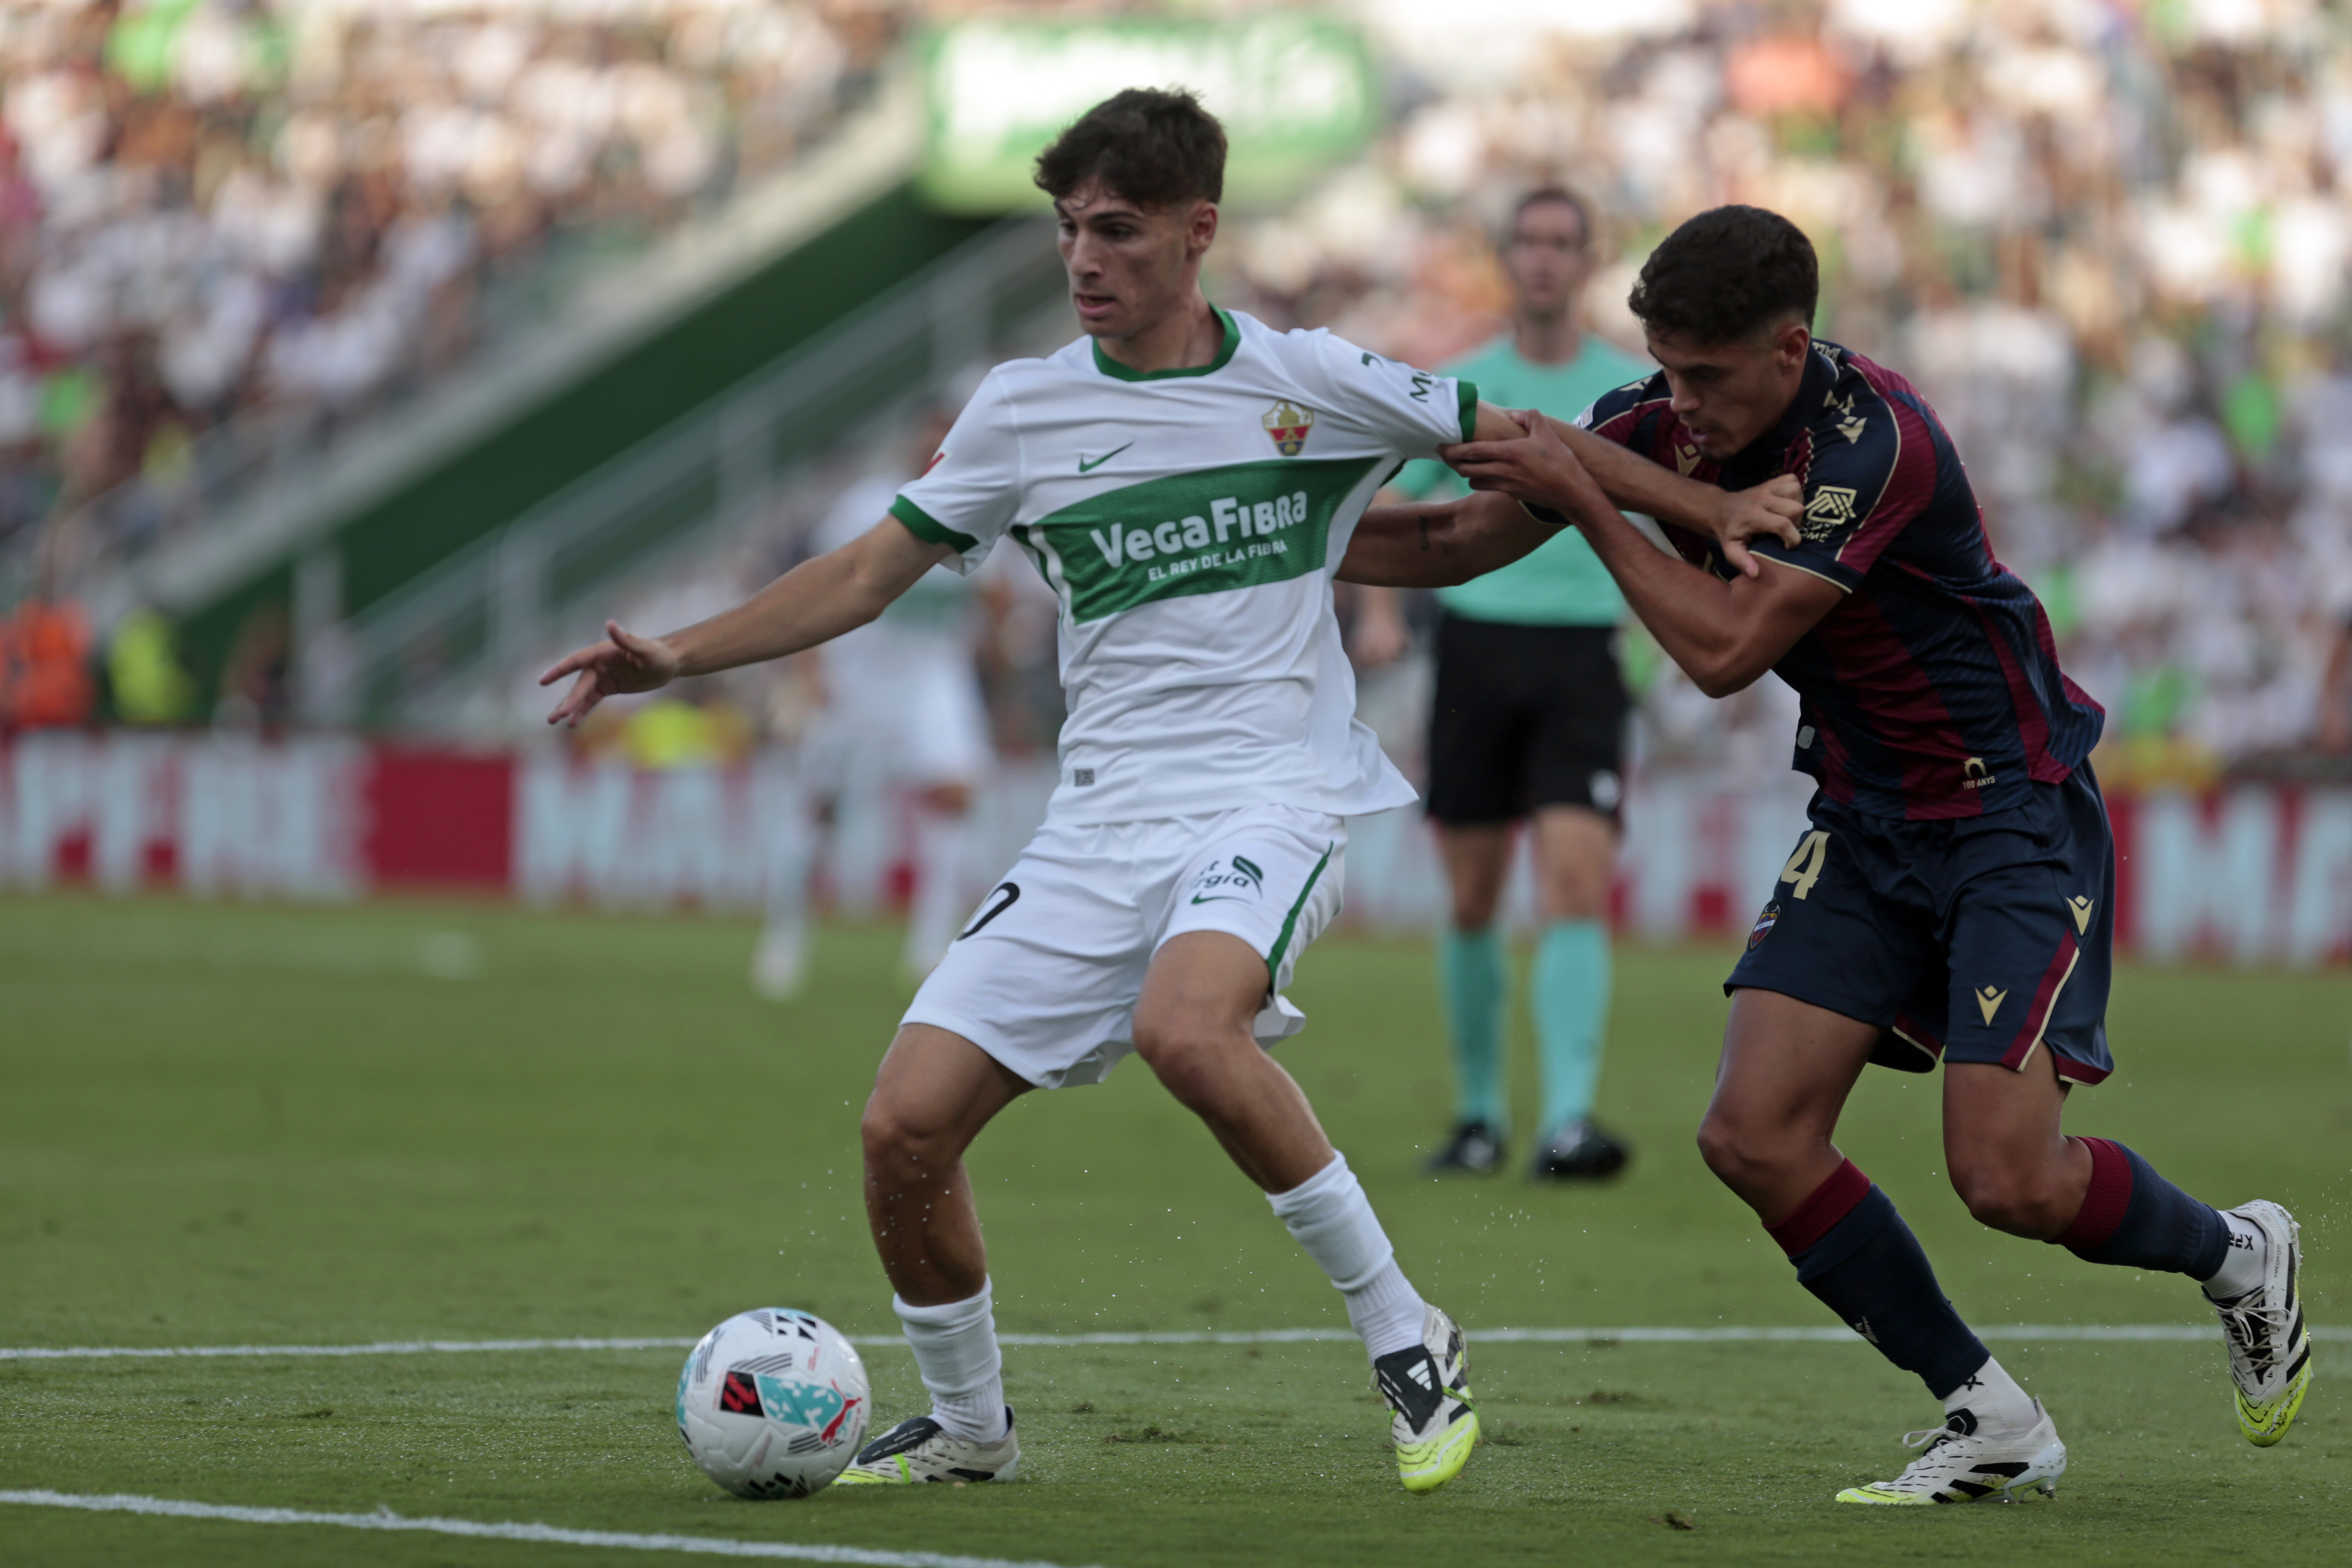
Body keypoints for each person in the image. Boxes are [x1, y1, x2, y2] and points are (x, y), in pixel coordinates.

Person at [545, 90, 1796, 1497]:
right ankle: (971, 1431)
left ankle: (1406, 1332)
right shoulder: (1022, 411)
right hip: (1097, 823)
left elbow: (1537, 448)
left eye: (1119, 231)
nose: (1085, 259)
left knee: (1189, 1032)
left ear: (1199, 232)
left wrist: (1713, 511)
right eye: (1071, 229)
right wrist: (678, 655)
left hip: (1272, 795)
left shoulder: (1309, 377)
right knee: (903, 1128)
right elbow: (861, 573)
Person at [1441, 205, 2312, 1503]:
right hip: (1865, 823)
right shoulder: (1680, 422)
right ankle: (1988, 1413)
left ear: (1789, 346)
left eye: (1707, 379)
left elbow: (1726, 656)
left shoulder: (1876, 441)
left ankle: (2239, 1254)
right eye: (1665, 373)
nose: (1678, 407)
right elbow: (1468, 538)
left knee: (2006, 1179)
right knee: (1751, 1133)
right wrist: (1284, 547)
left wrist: (1586, 492)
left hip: (2007, 818)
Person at [1367, 188, 1651, 1181]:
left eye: (1561, 242)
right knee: (1477, 893)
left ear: (1587, 259)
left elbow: (1662, 516)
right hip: (1478, 649)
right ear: (1504, 256)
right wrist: (1376, 609)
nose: (1543, 259)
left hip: (1583, 654)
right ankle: (1480, 1115)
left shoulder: (1626, 388)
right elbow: (1399, 507)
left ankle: (1568, 1119)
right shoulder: (1463, 385)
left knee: (1575, 883)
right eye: (1527, 241)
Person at [751, 406, 998, 999]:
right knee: (822, 810)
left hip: (933, 677)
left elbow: (995, 597)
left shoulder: (990, 507)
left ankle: (928, 949)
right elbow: (818, 584)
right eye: (928, 441)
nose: (936, 452)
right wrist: (811, 669)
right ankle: (785, 937)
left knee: (954, 793)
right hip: (855, 678)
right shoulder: (866, 508)